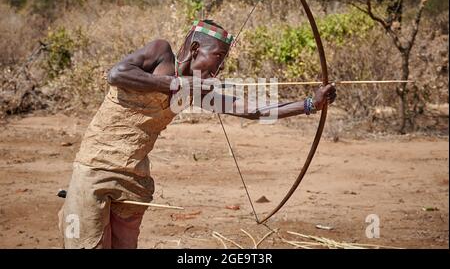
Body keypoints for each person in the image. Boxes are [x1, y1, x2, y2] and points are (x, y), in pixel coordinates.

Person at [58, 19, 336, 249]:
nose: (220, 68)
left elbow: (253, 109)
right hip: (94, 171)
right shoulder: (160, 53)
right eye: (218, 57)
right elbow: (116, 74)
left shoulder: (196, 90)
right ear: (194, 49)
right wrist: (175, 83)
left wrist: (310, 104)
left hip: (134, 178)